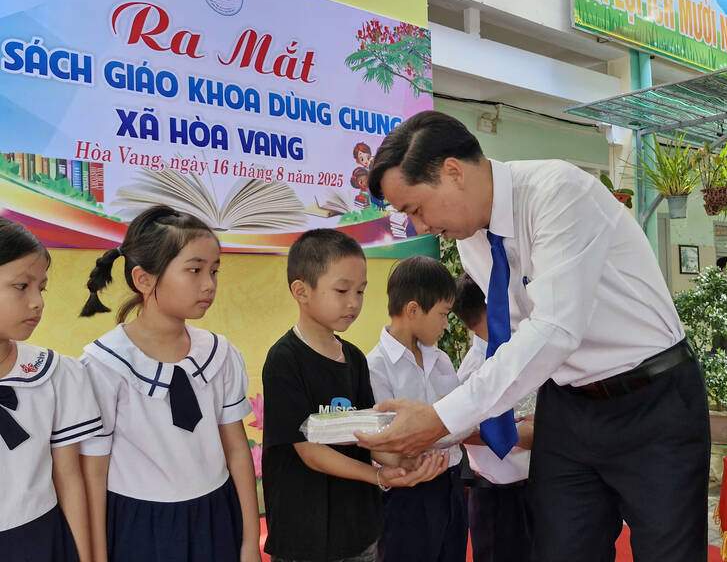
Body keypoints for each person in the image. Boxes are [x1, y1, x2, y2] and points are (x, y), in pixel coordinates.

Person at [357, 110, 710, 561]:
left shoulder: (559, 194)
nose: (420, 227)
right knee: (558, 549)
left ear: (452, 171)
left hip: (652, 401)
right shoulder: (472, 243)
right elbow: (519, 337)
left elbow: (554, 329)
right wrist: (439, 426)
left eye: (416, 209)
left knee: (669, 553)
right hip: (567, 409)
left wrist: (441, 419)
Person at [78, 205, 261, 562]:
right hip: (138, 525)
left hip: (216, 514)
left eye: (214, 271)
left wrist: (249, 542)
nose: (209, 284)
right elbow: (93, 474)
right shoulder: (103, 365)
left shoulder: (219, 353)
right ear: (145, 279)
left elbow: (237, 450)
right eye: (194, 270)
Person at [261, 229, 449, 562]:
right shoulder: (284, 360)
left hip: (359, 530)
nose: (354, 302)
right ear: (301, 291)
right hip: (304, 536)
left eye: (360, 291)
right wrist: (377, 475)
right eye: (342, 290)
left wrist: (408, 463)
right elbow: (309, 451)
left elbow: (369, 434)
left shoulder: (355, 358)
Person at [0, 218, 101, 562]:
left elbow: (68, 478)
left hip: (41, 539)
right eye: (21, 286)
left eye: (40, 288)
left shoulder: (53, 373)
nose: (37, 302)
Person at [366, 256, 467, 562]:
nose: (446, 325)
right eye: (442, 314)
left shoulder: (441, 359)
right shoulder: (377, 367)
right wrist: (443, 428)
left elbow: (459, 420)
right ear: (412, 310)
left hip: (451, 482)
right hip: (407, 493)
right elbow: (389, 443)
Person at [451, 274, 535, 562]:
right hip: (497, 497)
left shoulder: (519, 348)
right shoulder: (473, 371)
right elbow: (458, 429)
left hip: (536, 489)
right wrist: (511, 438)